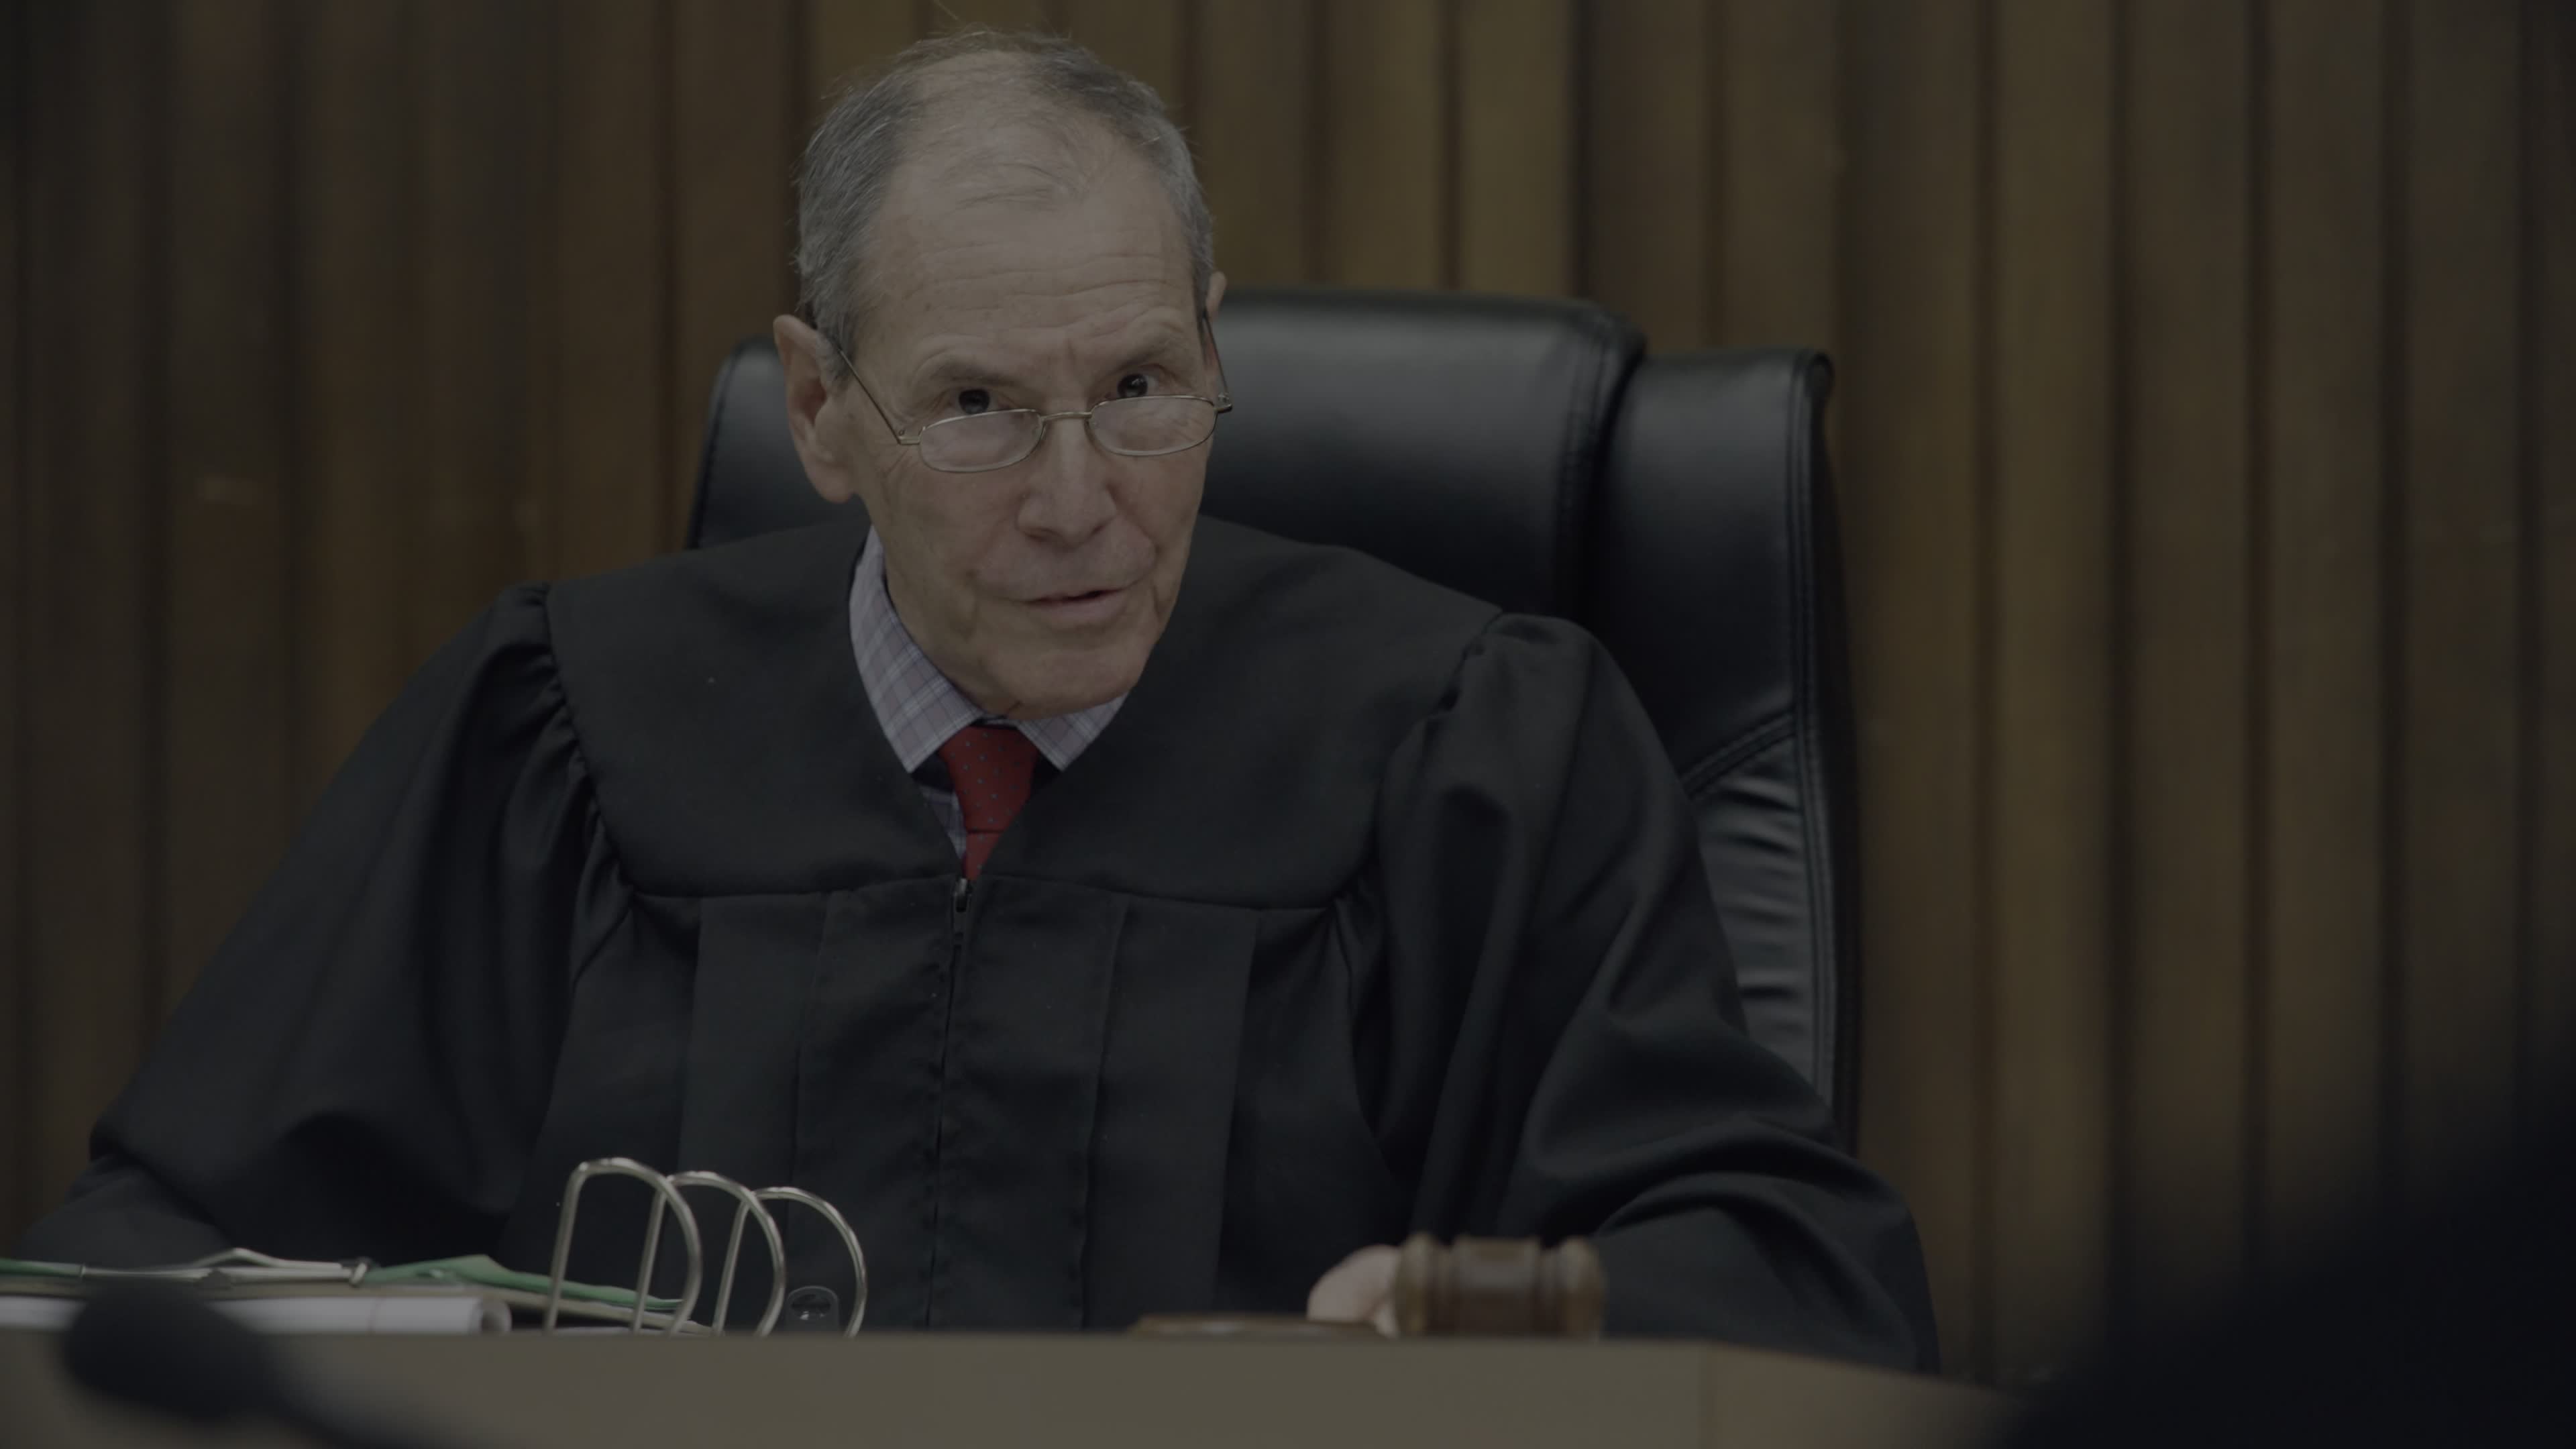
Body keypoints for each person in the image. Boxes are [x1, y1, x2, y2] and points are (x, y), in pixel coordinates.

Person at [20, 29, 1935, 1366]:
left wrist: (1459, 1323)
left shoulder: (1470, 751)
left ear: (1216, 348)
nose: (1080, 500)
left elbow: (1789, 1281)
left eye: (1143, 387)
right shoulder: (566, 738)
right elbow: (151, 1265)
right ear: (818, 411)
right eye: (976, 407)